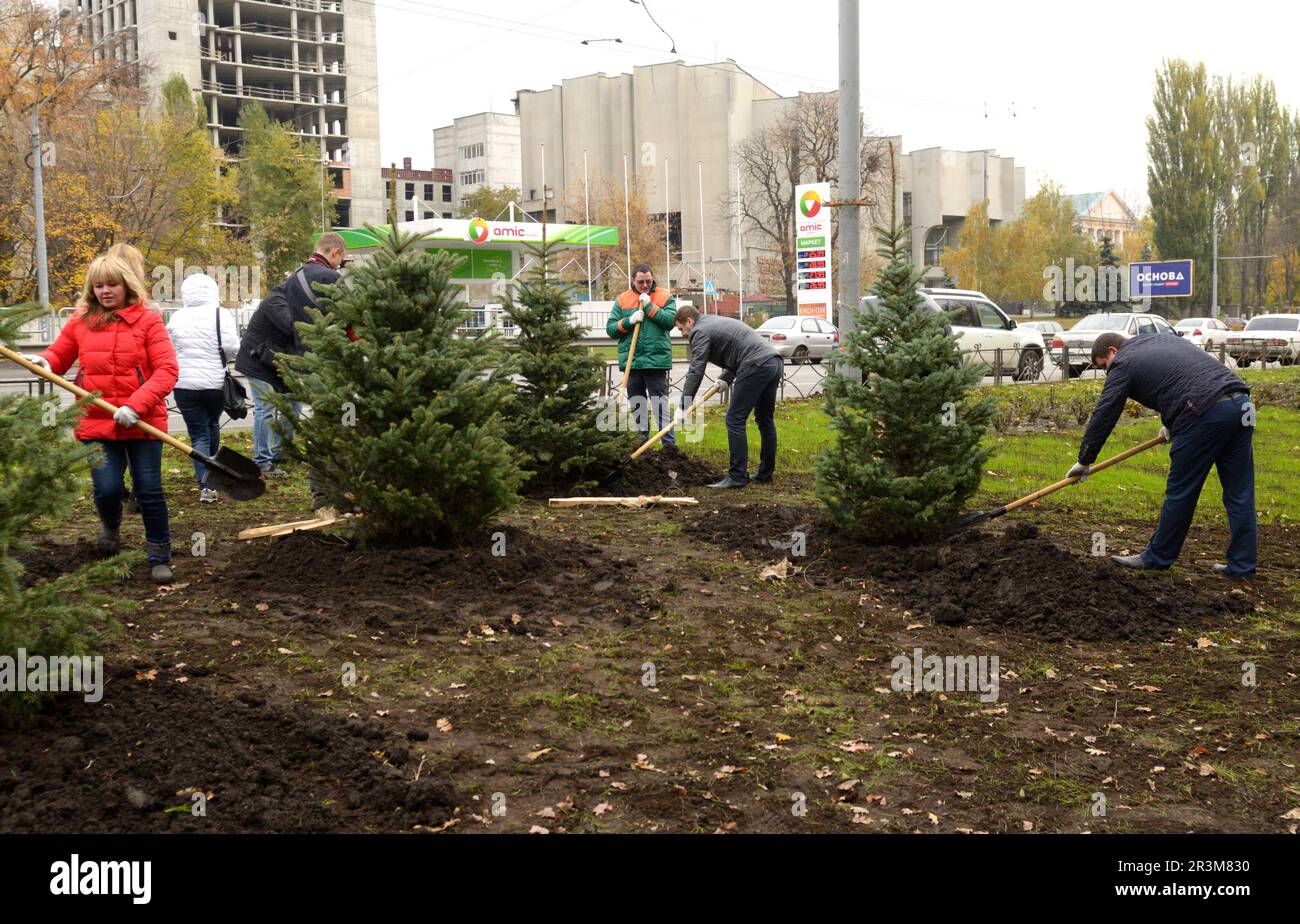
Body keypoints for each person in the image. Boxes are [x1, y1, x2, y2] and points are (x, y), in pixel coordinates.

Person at [27, 255, 179, 583]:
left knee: (149, 490)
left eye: (112, 284)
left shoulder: (148, 321)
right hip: (96, 421)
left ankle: (159, 554)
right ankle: (110, 524)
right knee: (107, 489)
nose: (105, 291)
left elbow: (167, 370)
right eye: (98, 285)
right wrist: (44, 361)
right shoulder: (81, 321)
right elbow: (60, 354)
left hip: (143, 422)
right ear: (90, 289)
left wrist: (136, 406)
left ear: (127, 285)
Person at [1068, 331, 1255, 577]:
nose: (1108, 373)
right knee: (1239, 493)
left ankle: (1158, 557)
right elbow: (1181, 376)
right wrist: (1172, 422)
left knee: (1181, 491)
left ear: (1112, 351)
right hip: (1241, 405)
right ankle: (1242, 566)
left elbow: (1105, 413)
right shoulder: (1160, 338)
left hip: (1204, 412)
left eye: (1105, 366)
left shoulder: (1123, 363)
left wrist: (1085, 459)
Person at [235, 232, 347, 476]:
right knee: (265, 407)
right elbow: (294, 327)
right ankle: (262, 460)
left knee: (293, 404)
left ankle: (281, 453)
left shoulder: (293, 294)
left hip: (278, 360)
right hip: (258, 361)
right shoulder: (276, 300)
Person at [674, 305, 783, 489]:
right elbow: (736, 347)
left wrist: (683, 405)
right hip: (773, 361)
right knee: (765, 420)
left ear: (689, 322)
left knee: (734, 419)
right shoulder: (712, 321)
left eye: (681, 329)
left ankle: (737, 476)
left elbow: (696, 369)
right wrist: (725, 378)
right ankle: (765, 474)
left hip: (755, 364)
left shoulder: (699, 331)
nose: (683, 334)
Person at [166, 272, 240, 503]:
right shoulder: (221, 314)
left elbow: (168, 347)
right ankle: (212, 470)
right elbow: (232, 347)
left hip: (185, 384)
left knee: (198, 434)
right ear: (213, 291)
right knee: (212, 425)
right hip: (215, 384)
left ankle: (206, 486)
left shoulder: (177, 317)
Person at [606, 264, 678, 447]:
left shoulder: (664, 297)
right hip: (633, 364)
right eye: (640, 282)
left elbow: (670, 322)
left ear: (653, 279)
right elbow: (611, 329)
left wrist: (649, 307)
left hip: (656, 363)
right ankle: (641, 446)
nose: (645, 285)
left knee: (660, 407)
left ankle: (669, 447)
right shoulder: (623, 300)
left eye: (648, 281)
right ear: (632, 280)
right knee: (638, 407)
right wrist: (628, 321)